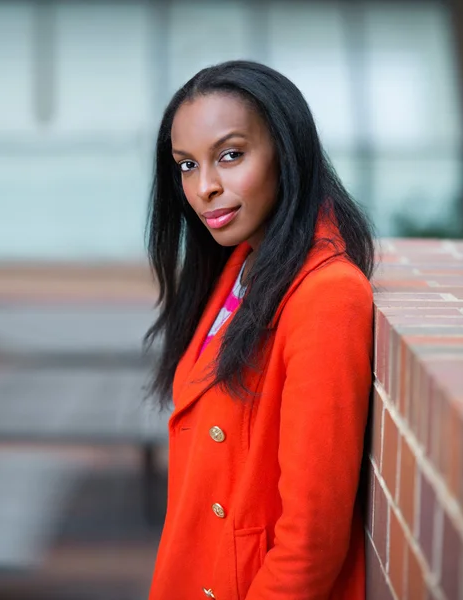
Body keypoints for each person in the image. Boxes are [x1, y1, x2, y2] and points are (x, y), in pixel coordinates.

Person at [144, 60, 375, 600]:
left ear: (287, 153)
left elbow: (311, 541)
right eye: (185, 165)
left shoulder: (327, 294)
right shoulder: (241, 264)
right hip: (194, 569)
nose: (204, 188)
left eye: (230, 155)